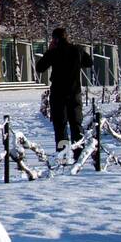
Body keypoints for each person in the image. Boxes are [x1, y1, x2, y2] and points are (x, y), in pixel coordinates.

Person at [35, 27, 92, 160]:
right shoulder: (77, 50)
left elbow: (40, 68)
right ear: (67, 37)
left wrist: (49, 51)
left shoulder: (54, 52)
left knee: (60, 126)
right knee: (76, 125)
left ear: (54, 40)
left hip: (58, 93)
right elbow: (89, 63)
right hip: (74, 92)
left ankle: (63, 154)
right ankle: (79, 154)